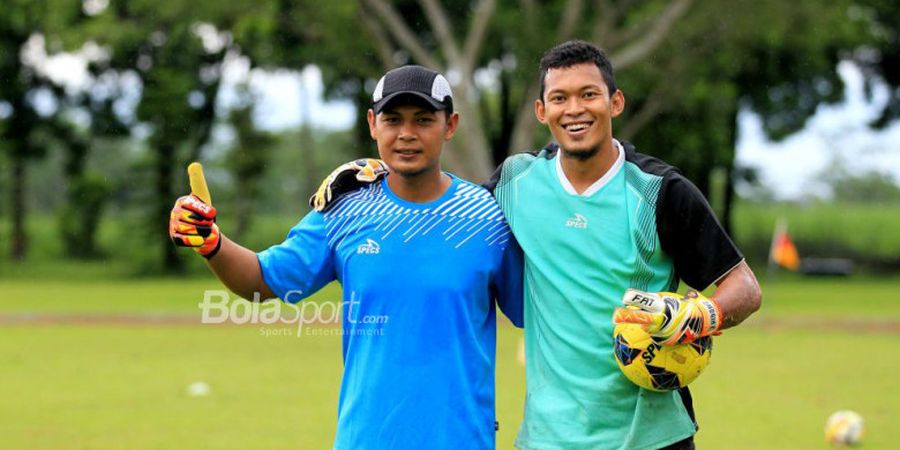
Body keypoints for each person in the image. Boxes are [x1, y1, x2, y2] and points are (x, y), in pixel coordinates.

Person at [168, 65, 524, 450]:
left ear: (450, 125)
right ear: (372, 124)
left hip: (460, 440)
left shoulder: (488, 218)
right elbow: (262, 281)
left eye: (423, 120)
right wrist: (211, 241)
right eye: (392, 120)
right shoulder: (345, 211)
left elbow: (536, 312)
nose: (406, 134)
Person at [485, 40, 762, 449]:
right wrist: (387, 181)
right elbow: (447, 219)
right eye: (560, 98)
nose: (574, 109)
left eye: (589, 94)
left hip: (651, 438)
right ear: (542, 111)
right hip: (547, 438)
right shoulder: (515, 183)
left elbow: (745, 288)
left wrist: (702, 316)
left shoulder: (661, 191)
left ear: (615, 103)